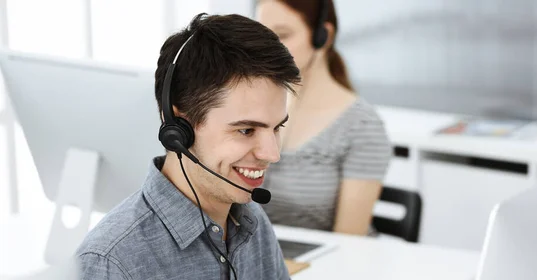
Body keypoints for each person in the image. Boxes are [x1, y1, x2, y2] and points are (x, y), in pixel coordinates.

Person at [75, 13, 301, 280]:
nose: (271, 154)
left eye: (276, 128)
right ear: (178, 128)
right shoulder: (112, 263)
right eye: (245, 130)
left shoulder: (251, 221)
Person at [256, 0, 393, 236]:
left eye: (282, 35)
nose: (266, 50)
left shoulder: (361, 126)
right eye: (261, 37)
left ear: (323, 36)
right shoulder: (253, 110)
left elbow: (349, 241)